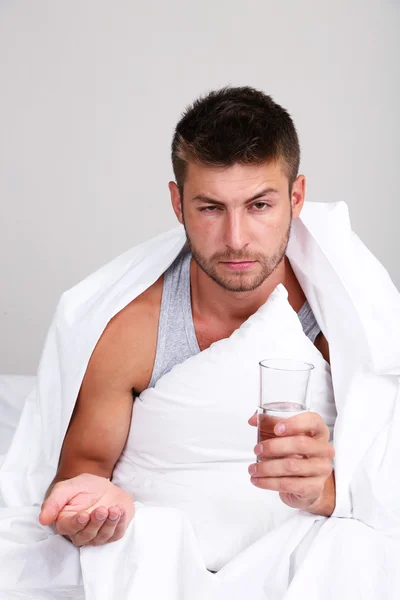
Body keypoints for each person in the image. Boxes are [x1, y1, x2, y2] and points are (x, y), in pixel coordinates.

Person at [39, 86, 336, 549]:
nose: (236, 239)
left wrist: (321, 491)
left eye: (259, 205)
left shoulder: (342, 322)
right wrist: (87, 507)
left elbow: (382, 481)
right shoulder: (132, 331)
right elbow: (84, 470)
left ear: (296, 197)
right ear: (178, 204)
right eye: (210, 208)